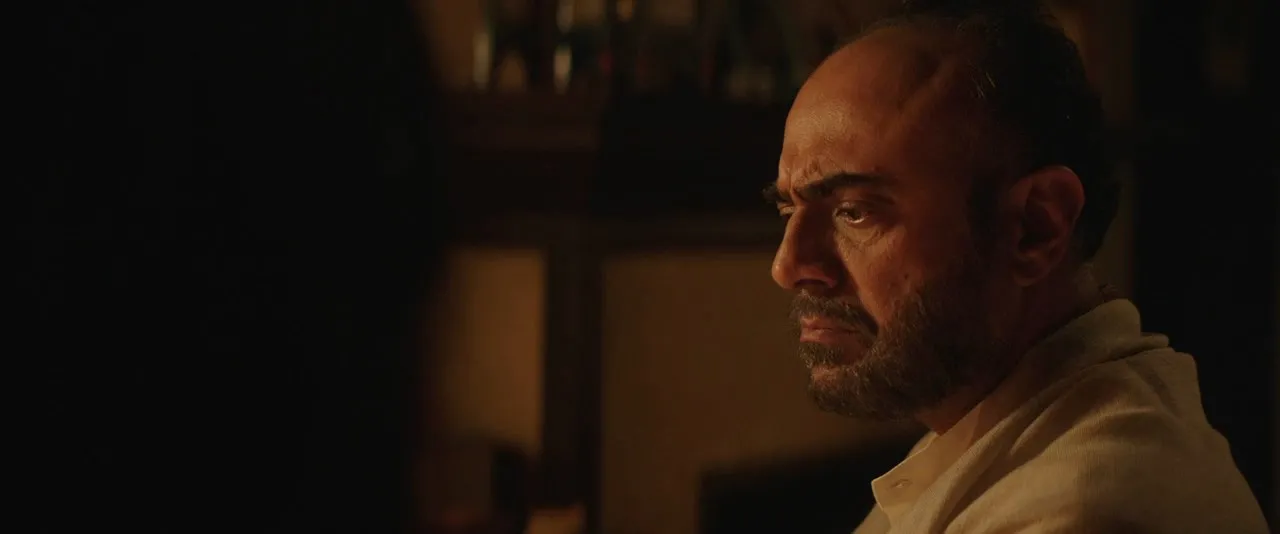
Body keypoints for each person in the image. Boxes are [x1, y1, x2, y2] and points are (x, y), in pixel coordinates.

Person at [766, 3, 1269, 533]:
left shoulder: (1078, 510)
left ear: (1035, 228)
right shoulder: (987, 424)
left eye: (855, 212)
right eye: (787, 209)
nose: (787, 266)